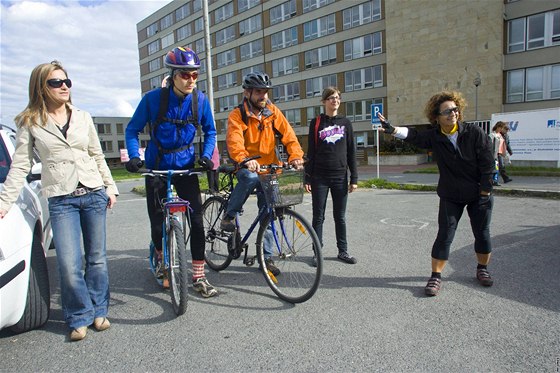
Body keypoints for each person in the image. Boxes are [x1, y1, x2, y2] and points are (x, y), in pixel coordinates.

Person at [0, 60, 118, 341]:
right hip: (62, 200)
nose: (64, 86)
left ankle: (99, 310)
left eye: (67, 82)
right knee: (68, 263)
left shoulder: (82, 116)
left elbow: (96, 154)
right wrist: (4, 203)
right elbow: (19, 166)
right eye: (56, 82)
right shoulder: (30, 122)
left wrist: (110, 187)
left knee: (98, 259)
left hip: (93, 193)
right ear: (42, 86)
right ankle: (79, 316)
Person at [377, 90, 495, 296]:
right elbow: (414, 136)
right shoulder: (434, 136)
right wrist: (392, 129)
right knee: (445, 235)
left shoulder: (474, 133)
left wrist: (485, 191)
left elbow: (487, 163)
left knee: (482, 233)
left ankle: (482, 269)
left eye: (455, 109)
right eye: (447, 111)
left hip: (479, 194)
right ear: (437, 117)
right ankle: (435, 276)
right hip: (451, 194)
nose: (453, 114)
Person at [125, 46, 218, 298]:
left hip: (186, 168)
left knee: (197, 223)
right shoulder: (153, 99)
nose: (191, 80)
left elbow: (211, 132)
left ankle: (198, 276)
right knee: (157, 222)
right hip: (156, 167)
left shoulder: (200, 101)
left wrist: (207, 157)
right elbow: (132, 130)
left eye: (195, 75)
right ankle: (160, 258)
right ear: (173, 74)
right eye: (185, 75)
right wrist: (135, 156)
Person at [220, 72, 305, 275]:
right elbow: (234, 141)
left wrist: (295, 156)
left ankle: (266, 258)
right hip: (246, 166)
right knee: (249, 178)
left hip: (269, 169)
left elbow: (288, 135)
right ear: (247, 93)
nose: (263, 96)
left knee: (271, 213)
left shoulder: (272, 111)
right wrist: (244, 159)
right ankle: (229, 216)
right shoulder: (237, 115)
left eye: (266, 92)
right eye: (259, 92)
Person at [304, 87, 358, 265]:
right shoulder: (317, 122)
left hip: (340, 177)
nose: (334, 100)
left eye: (337, 97)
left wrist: (354, 178)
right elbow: (311, 152)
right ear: (324, 101)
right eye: (331, 98)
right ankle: (317, 253)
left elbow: (351, 152)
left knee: (339, 216)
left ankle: (343, 251)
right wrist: (307, 177)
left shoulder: (346, 123)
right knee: (318, 216)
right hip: (319, 177)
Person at [489, 121, 504, 186]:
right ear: (497, 127)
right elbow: (489, 145)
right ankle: (492, 181)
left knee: (497, 167)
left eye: (502, 128)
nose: (501, 129)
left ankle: (495, 181)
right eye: (501, 127)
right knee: (494, 168)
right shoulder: (492, 135)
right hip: (493, 154)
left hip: (499, 154)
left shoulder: (500, 136)